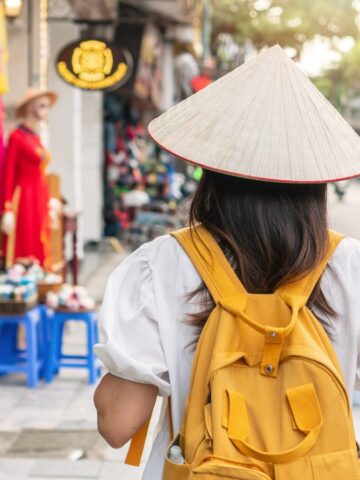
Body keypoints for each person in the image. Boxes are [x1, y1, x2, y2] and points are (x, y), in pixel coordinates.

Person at [94, 46, 360, 479]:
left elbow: (116, 425)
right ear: (316, 180)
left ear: (213, 170)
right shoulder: (350, 267)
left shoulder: (162, 265)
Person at [1, 88, 58, 268]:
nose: (46, 110)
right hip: (24, 197)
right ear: (30, 107)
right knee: (25, 239)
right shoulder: (17, 137)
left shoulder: (35, 137)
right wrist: (7, 207)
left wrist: (50, 200)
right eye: (42, 106)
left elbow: (41, 173)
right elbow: (8, 172)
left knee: (41, 237)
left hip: (38, 196)